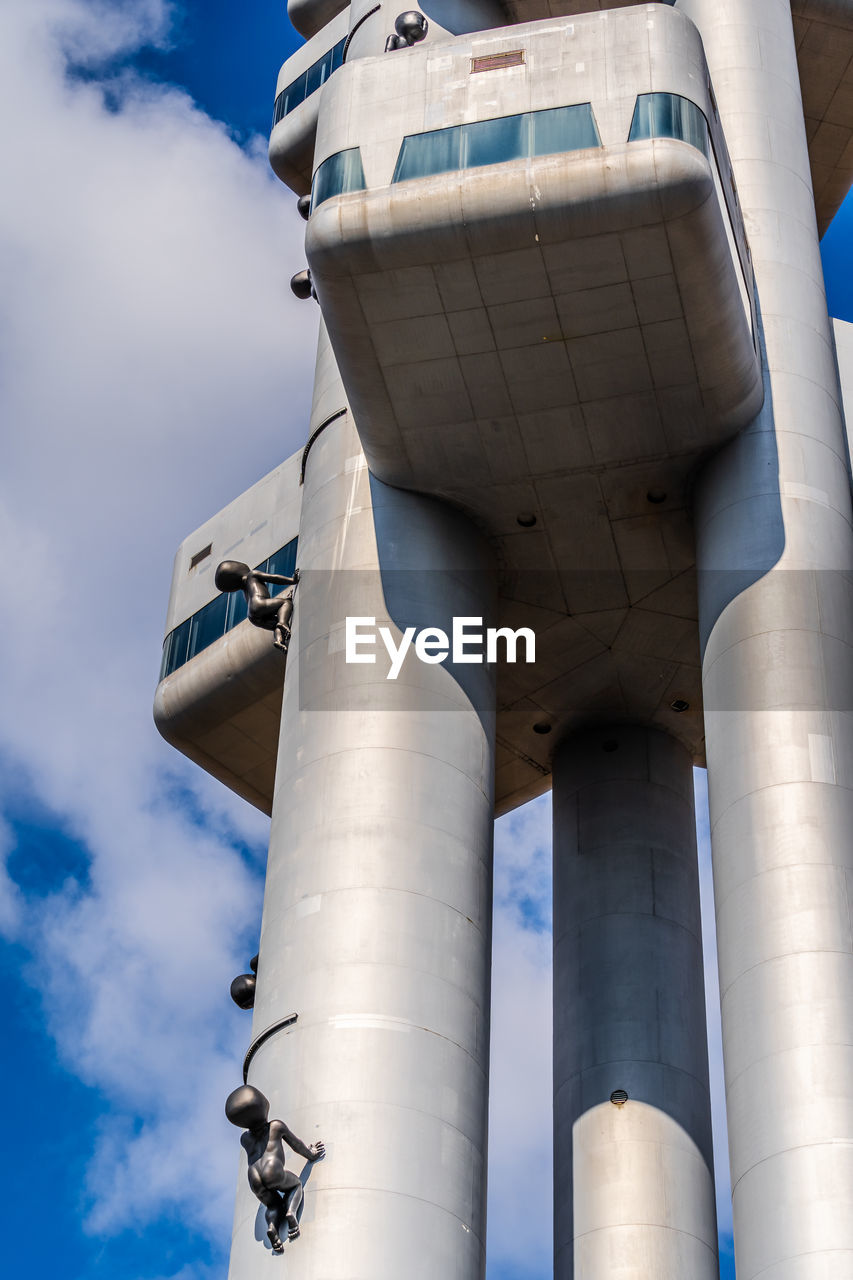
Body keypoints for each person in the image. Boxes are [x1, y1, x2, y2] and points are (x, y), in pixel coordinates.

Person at [225, 1085, 325, 1253]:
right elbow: (296, 1145)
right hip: (272, 1170)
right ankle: (291, 1213)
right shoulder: (276, 1126)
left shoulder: (245, 1139)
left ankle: (272, 1226)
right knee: (295, 1185)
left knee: (273, 1206)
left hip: (254, 1177)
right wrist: (312, 1155)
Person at [214, 560, 299, 653]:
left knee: (275, 625)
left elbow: (262, 608)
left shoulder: (244, 590)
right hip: (259, 602)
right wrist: (292, 581)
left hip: (252, 615)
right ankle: (283, 623)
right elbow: (273, 578)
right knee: (285, 604)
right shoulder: (252, 574)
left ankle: (279, 641)